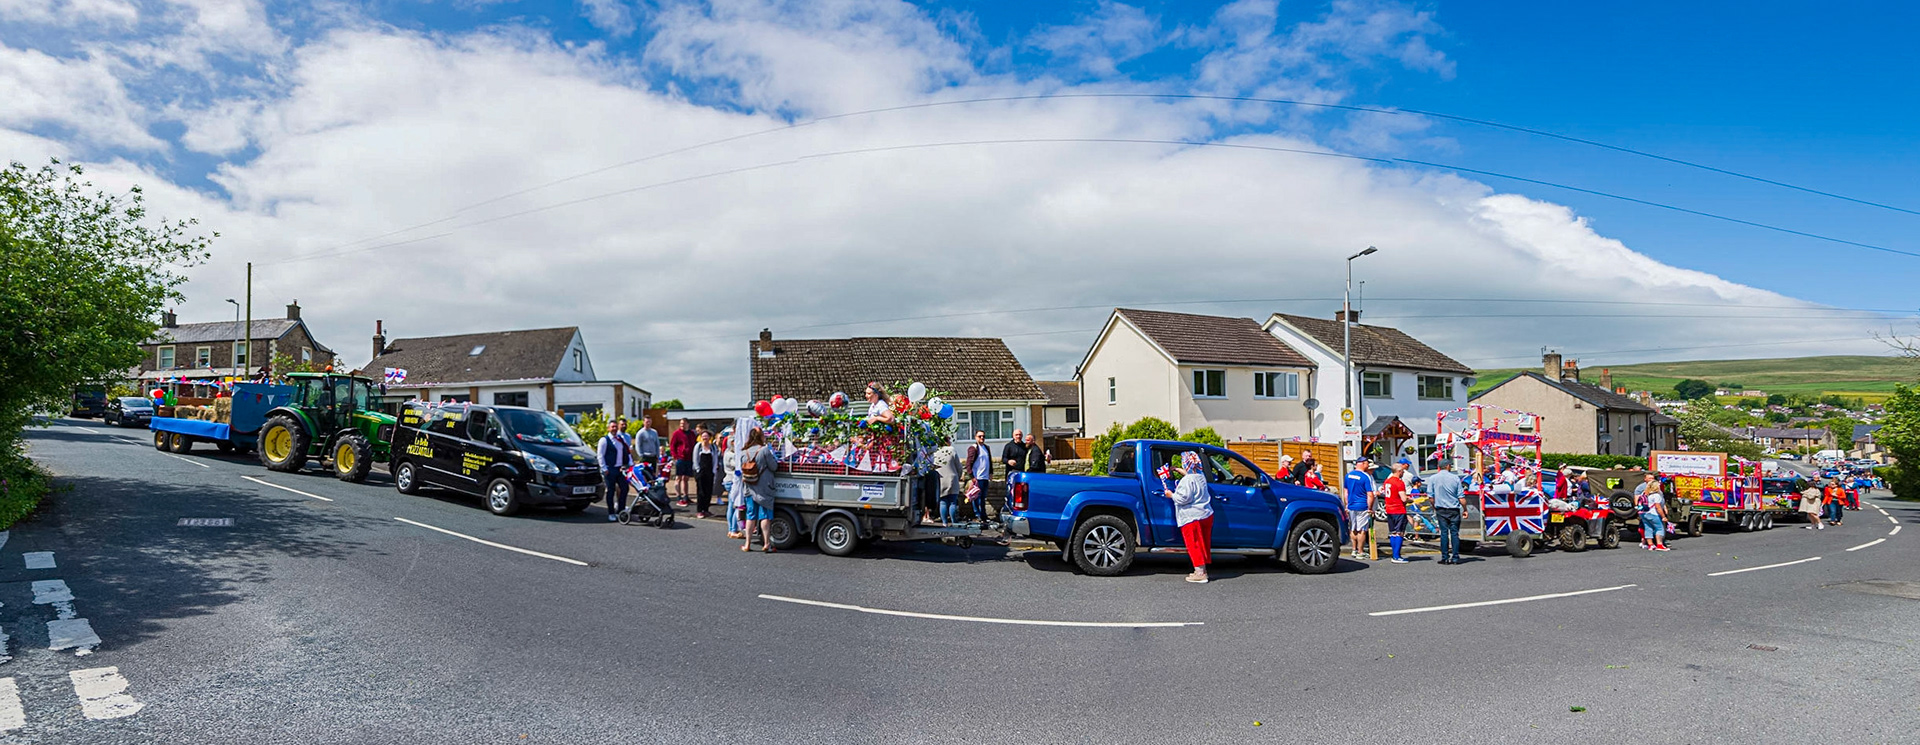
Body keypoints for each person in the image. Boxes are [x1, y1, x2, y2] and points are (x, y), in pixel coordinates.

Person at [1160, 450, 1213, 583]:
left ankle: (1200, 573)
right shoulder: (1201, 477)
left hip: (1191, 517)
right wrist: (1178, 470)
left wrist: (1171, 495)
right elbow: (1191, 476)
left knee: (1194, 544)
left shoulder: (1186, 481)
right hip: (1205, 514)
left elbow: (1183, 498)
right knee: (1202, 543)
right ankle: (1203, 569)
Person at [740, 428, 777, 552]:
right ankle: (766, 543)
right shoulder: (764, 450)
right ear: (760, 437)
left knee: (750, 516)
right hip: (764, 488)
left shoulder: (744, 452)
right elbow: (774, 466)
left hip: (749, 488)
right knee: (765, 516)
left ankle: (747, 544)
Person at [1427, 459, 1465, 565]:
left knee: (1444, 533)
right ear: (1448, 466)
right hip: (1453, 509)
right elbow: (1461, 496)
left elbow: (1430, 496)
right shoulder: (1455, 478)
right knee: (1454, 533)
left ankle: (1445, 557)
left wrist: (1434, 506)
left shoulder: (1433, 478)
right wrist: (1465, 509)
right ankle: (1455, 557)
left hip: (1440, 508)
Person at [596, 417, 635, 522]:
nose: (614, 429)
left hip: (619, 469)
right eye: (612, 427)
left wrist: (630, 464)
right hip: (610, 469)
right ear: (608, 428)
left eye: (615, 427)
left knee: (624, 488)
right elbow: (600, 456)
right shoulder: (604, 440)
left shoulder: (619, 439)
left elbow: (626, 452)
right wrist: (604, 468)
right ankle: (611, 513)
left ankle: (621, 510)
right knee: (611, 491)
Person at [1344, 456, 1377, 560]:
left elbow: (1346, 491)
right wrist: (1370, 508)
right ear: (1362, 463)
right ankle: (1360, 551)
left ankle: (1354, 549)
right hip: (1362, 505)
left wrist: (1347, 504)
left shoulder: (1348, 475)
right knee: (1362, 530)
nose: (1368, 466)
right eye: (1367, 463)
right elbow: (1370, 494)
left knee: (1353, 528)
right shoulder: (1365, 476)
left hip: (1351, 506)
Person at [1383, 458, 1412, 563]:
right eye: (1402, 472)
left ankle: (1394, 554)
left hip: (1389, 509)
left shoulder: (1387, 481)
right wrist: (1411, 499)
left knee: (1393, 532)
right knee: (1399, 533)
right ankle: (1396, 556)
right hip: (1398, 509)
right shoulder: (1399, 482)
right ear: (1399, 471)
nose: (1403, 473)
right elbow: (1404, 498)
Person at [965, 431, 993, 524]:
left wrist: (991, 472)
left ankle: (983, 516)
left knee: (983, 498)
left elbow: (989, 461)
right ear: (975, 437)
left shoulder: (986, 448)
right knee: (976, 497)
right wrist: (972, 476)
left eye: (983, 436)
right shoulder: (973, 448)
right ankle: (978, 515)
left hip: (985, 477)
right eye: (979, 436)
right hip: (977, 477)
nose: (982, 438)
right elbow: (968, 463)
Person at [1637, 473, 1671, 551]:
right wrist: (1663, 517)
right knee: (1659, 528)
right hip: (1653, 514)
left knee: (1648, 528)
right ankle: (1659, 544)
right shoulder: (1656, 495)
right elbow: (1658, 507)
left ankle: (1650, 545)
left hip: (1644, 513)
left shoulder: (1644, 493)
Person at [934, 444, 963, 526]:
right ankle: (954, 522)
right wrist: (958, 476)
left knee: (943, 502)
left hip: (940, 479)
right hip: (952, 479)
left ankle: (944, 523)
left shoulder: (934, 451)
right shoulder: (951, 450)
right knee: (952, 502)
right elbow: (959, 467)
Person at [692, 428, 717, 519]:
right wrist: (698, 470)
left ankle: (706, 510)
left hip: (710, 472)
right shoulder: (698, 446)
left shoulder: (713, 447)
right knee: (701, 492)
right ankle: (700, 510)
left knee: (708, 491)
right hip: (701, 472)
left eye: (706, 436)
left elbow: (715, 460)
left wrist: (714, 471)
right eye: (703, 436)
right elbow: (695, 459)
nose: (704, 438)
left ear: (709, 437)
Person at [669, 419, 695, 503]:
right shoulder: (677, 433)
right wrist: (675, 456)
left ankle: (686, 495)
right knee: (678, 477)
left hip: (689, 458)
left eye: (684, 423)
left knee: (686, 478)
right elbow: (672, 446)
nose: (682, 425)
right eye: (681, 424)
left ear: (688, 424)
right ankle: (678, 495)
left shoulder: (691, 434)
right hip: (680, 458)